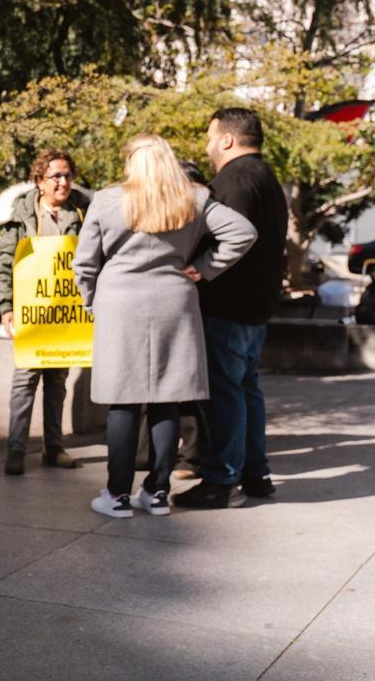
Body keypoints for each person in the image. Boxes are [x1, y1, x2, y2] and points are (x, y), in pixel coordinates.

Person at [73, 134, 256, 518]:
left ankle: (117, 495)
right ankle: (156, 493)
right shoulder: (193, 198)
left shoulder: (107, 200)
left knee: (122, 402)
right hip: (175, 301)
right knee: (166, 401)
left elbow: (85, 263)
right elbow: (243, 232)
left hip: (121, 304)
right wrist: (205, 268)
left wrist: (91, 301)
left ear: (131, 162)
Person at [174, 108, 289, 509]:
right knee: (245, 391)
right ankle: (255, 475)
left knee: (225, 394)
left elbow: (231, 238)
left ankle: (222, 480)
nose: (207, 147)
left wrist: (200, 268)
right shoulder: (266, 176)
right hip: (253, 307)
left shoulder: (236, 179)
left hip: (228, 306)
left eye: (210, 138)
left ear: (226, 140)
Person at [0, 150, 89, 475]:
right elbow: (1, 266)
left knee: (58, 383)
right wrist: (6, 309)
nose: (63, 182)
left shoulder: (83, 214)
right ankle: (16, 450)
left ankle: (54, 448)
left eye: (68, 175)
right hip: (31, 316)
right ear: (39, 181)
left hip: (66, 318)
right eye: (56, 176)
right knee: (25, 380)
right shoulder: (19, 219)